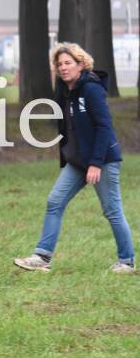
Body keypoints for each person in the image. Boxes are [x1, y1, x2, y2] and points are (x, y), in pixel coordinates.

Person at [13, 43, 135, 273]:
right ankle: (42, 257)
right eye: (59, 64)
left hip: (103, 160)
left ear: (81, 64)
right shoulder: (65, 91)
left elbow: (104, 127)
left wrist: (96, 163)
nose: (63, 67)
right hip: (78, 161)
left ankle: (127, 261)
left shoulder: (91, 89)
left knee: (112, 210)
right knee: (54, 201)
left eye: (68, 63)